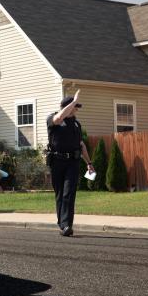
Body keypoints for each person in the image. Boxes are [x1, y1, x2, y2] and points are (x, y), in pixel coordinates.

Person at [46, 93, 94, 237]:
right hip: (57, 162)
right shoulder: (53, 119)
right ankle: (62, 223)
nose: (76, 110)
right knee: (60, 193)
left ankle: (67, 225)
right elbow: (59, 118)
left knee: (69, 193)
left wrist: (89, 163)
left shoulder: (76, 124)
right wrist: (73, 102)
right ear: (66, 107)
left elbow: (81, 144)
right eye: (74, 107)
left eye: (76, 107)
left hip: (73, 162)